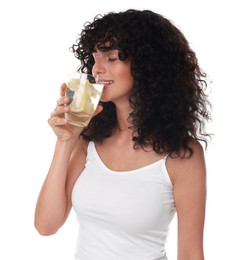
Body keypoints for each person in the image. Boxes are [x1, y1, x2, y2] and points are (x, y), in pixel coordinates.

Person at [34, 9, 211, 260]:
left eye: (111, 57)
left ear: (146, 65)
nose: (97, 68)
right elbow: (46, 225)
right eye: (95, 56)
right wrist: (66, 141)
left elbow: (191, 254)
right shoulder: (89, 142)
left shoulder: (181, 155)